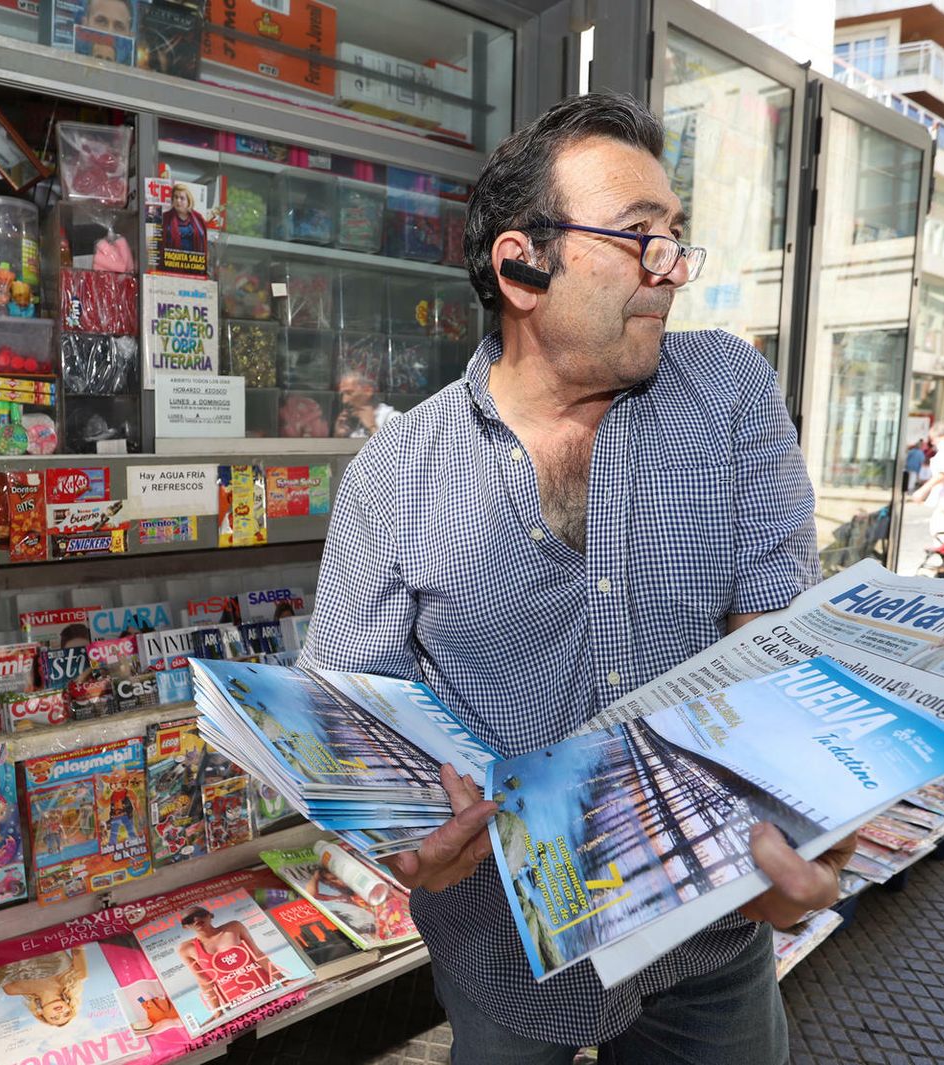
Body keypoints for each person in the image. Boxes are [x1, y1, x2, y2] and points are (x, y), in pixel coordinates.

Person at [302, 92, 839, 1064]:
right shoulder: (395, 474)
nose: (671, 269)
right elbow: (353, 719)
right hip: (503, 945)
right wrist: (403, 836)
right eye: (640, 237)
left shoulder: (726, 395)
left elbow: (774, 639)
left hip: (711, 937)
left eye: (676, 236)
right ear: (521, 265)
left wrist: (788, 817)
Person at [176, 906, 284, 1012]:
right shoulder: (186, 949)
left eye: (200, 914)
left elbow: (257, 954)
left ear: (210, 915)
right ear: (185, 927)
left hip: (265, 989)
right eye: (189, 919)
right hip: (234, 1003)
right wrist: (217, 1010)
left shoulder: (234, 927)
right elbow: (204, 981)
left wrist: (283, 980)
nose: (196, 919)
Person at [0, 948, 90, 1026]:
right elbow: (76, 944)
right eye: (67, 1013)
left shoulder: (12, 989)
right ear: (70, 1007)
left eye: (54, 1017)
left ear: (41, 1014)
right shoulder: (79, 976)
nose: (60, 1013)